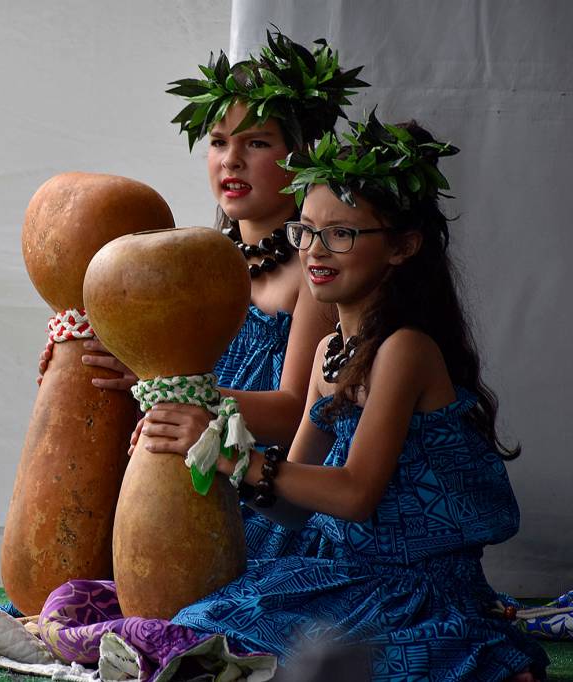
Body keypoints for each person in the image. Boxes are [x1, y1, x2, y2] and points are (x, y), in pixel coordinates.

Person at [19, 116, 550, 681]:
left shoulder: (405, 350)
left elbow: (355, 495)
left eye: (342, 234)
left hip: (414, 589)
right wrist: (208, 447)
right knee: (185, 615)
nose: (316, 251)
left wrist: (234, 457)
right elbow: (292, 507)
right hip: (344, 572)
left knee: (210, 635)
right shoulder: (330, 352)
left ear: (403, 246)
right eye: (308, 232)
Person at [39, 31, 366, 560]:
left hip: (265, 499)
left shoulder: (315, 275)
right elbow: (162, 379)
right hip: (182, 476)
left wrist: (178, 392)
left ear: (302, 156)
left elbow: (293, 411)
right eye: (218, 142)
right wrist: (102, 362)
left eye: (256, 143)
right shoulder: (198, 265)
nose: (231, 160)